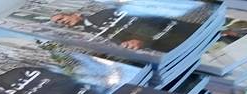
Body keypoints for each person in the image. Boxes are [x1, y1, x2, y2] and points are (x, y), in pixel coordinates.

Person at [49, 9, 194, 52]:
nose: (62, 22)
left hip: (175, 33)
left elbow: (142, 18)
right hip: (164, 46)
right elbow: (117, 38)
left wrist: (141, 39)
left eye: (61, 18)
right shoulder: (89, 29)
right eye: (58, 23)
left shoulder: (104, 14)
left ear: (75, 14)